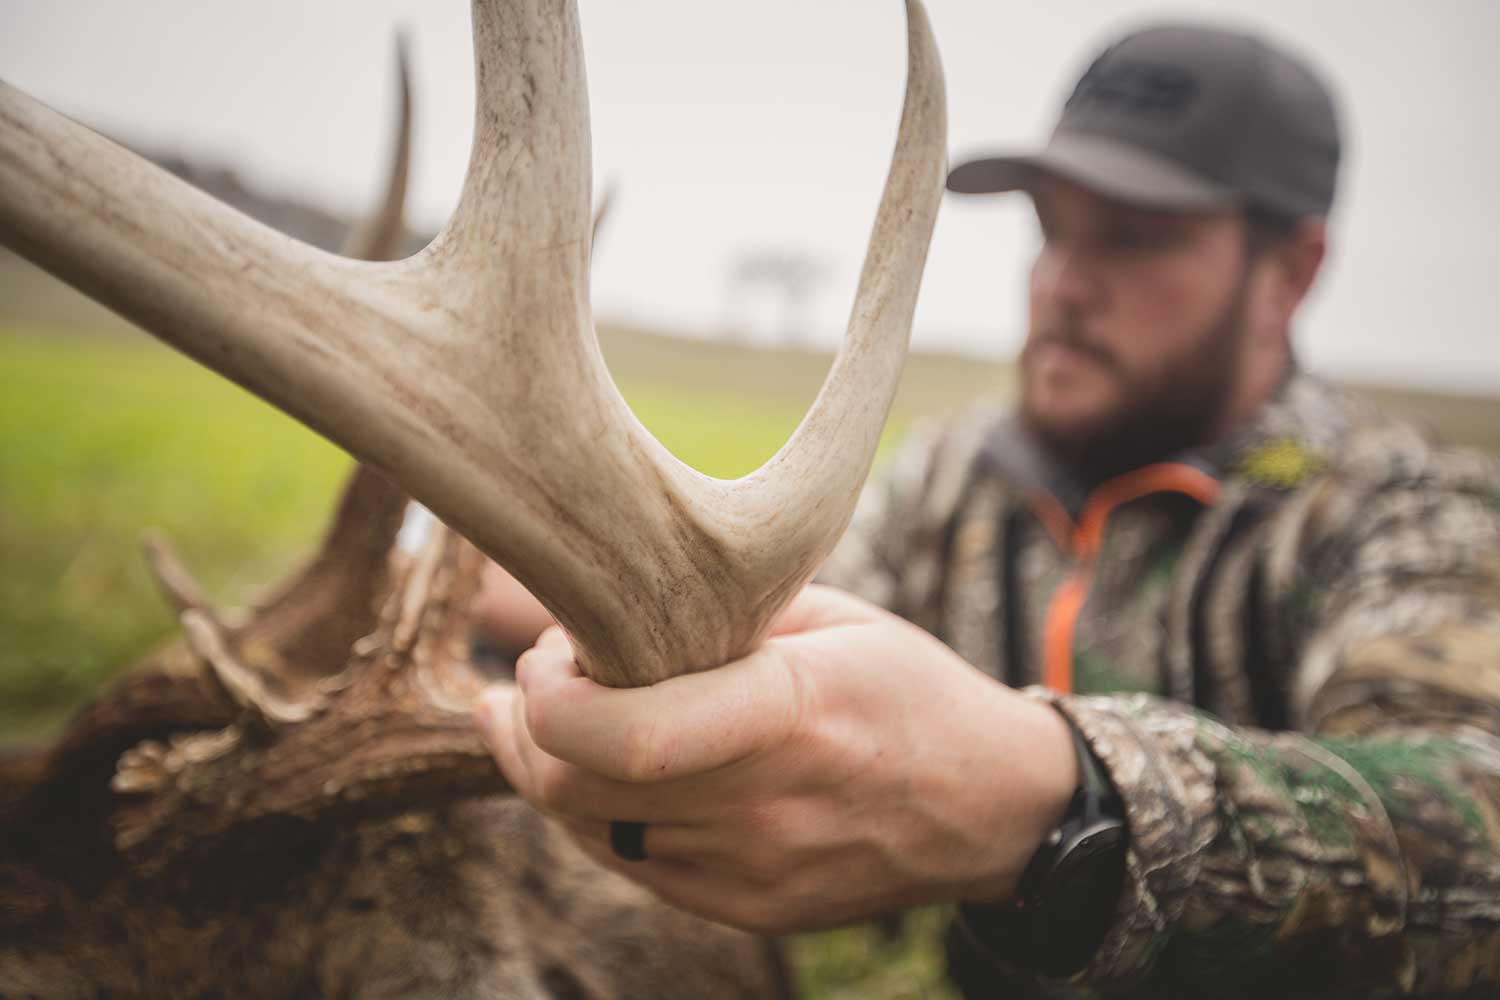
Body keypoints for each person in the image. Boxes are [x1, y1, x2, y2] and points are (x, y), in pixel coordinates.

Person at [471, 23, 1500, 997]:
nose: (1063, 283)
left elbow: (1475, 827)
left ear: (1291, 273)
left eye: (1135, 240)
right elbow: (779, 626)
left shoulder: (1397, 512)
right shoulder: (958, 479)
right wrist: (488, 584)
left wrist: (1049, 801)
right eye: (1053, 231)